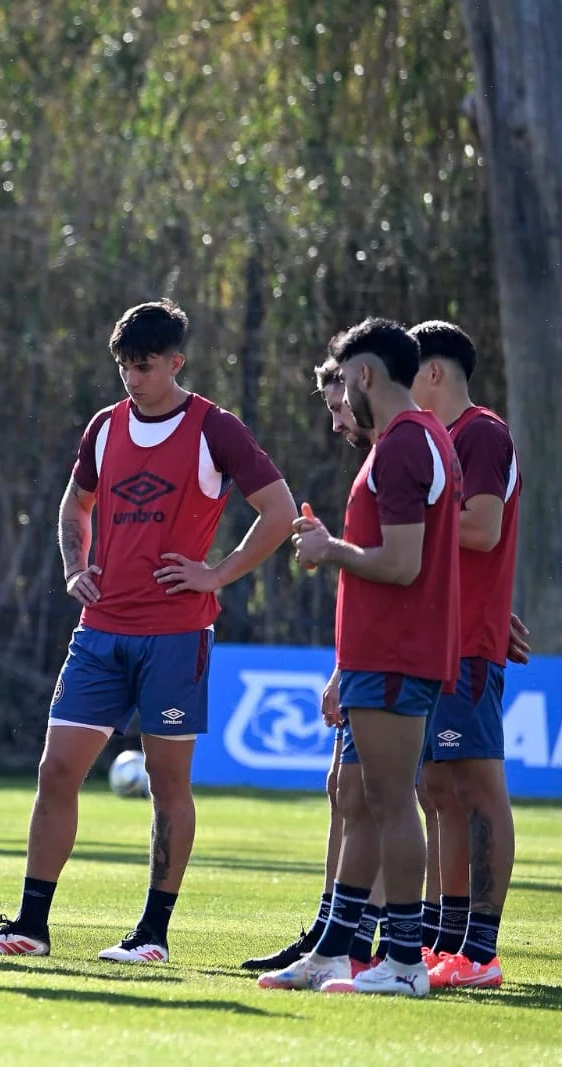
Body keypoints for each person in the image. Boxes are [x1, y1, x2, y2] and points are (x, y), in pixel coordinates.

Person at [0, 299, 295, 964]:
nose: (132, 379)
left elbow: (279, 510)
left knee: (169, 785)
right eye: (123, 366)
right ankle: (29, 923)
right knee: (56, 769)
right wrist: (73, 565)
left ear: (176, 361)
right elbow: (73, 504)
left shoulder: (214, 428)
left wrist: (218, 574)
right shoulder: (105, 427)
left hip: (176, 635)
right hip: (100, 632)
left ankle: (152, 933)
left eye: (144, 366)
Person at [264, 317, 461, 997]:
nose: (344, 399)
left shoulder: (407, 443)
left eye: (347, 382)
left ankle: (404, 961)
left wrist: (327, 549)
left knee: (389, 800)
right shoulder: (411, 440)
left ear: (368, 375)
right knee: (358, 796)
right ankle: (336, 951)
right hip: (378, 652)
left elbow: (403, 565)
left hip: (400, 651)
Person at [409, 320, 519, 990]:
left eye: (406, 371)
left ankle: (481, 948)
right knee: (437, 791)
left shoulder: (482, 432)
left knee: (478, 790)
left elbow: (482, 527)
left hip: (467, 644)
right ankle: (445, 938)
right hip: (433, 643)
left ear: (435, 373)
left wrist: (398, 534)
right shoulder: (437, 440)